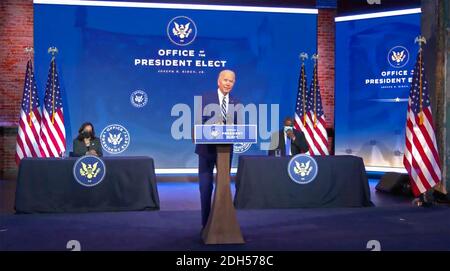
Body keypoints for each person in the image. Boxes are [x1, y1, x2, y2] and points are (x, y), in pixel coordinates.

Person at [194, 69, 241, 229]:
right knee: (206, 188)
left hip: (225, 152)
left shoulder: (236, 102)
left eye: (231, 81)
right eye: (226, 80)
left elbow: (239, 128)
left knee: (223, 188)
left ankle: (222, 223)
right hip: (206, 151)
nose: (228, 83)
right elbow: (197, 125)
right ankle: (206, 225)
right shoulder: (204, 98)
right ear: (218, 81)